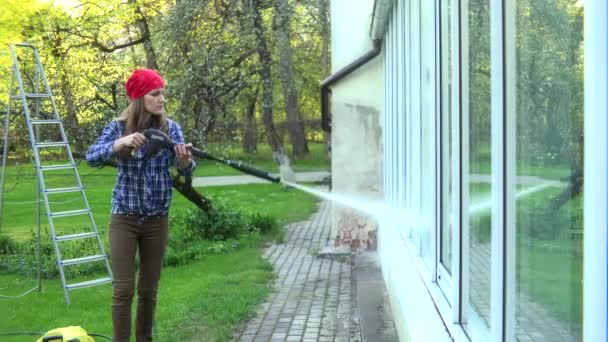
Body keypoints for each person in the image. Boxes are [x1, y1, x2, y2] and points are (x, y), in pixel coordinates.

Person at [86, 68, 194, 341]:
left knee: (149, 290)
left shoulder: (172, 128)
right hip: (124, 218)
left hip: (157, 220)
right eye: (155, 94)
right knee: (123, 290)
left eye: (163, 94)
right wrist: (119, 143)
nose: (162, 99)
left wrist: (184, 163)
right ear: (139, 97)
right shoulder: (118, 127)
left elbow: (186, 169)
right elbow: (92, 157)